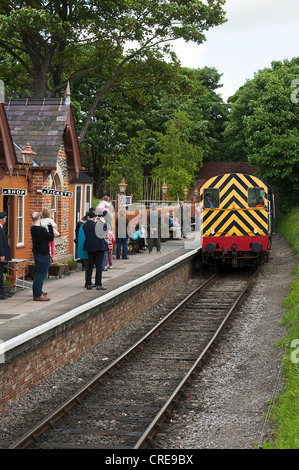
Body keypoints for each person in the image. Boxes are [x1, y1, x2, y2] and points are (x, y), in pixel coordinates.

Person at [31, 211, 54, 301]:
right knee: (41, 275)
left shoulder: (33, 229)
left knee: (37, 274)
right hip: (43, 254)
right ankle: (37, 295)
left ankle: (38, 291)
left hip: (36, 253)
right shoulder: (42, 230)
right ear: (39, 218)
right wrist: (49, 226)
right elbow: (51, 237)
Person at [83, 211, 108, 290]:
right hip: (99, 247)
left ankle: (88, 283)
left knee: (89, 266)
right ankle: (98, 284)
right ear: (94, 217)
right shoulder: (97, 225)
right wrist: (103, 222)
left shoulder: (85, 226)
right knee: (99, 266)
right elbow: (105, 231)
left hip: (89, 247)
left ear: (87, 217)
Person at [0, 212, 12, 300]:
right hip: (0, 255)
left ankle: (2, 292)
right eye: (5, 218)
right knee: (0, 274)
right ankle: (1, 293)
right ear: (3, 219)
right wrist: (2, 254)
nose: (5, 220)